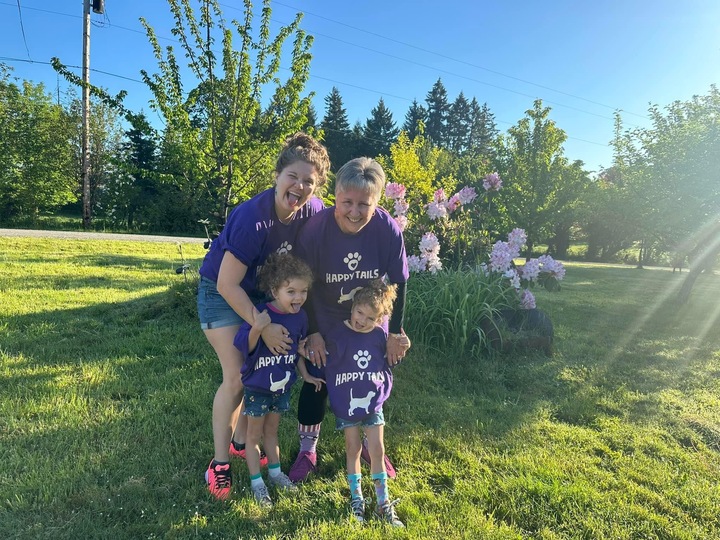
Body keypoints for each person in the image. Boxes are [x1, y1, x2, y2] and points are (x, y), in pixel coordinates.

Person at [197, 132, 330, 500]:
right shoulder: (251, 218)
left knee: (260, 369)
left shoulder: (314, 212)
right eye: (293, 176)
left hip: (263, 295)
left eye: (309, 181)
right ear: (277, 174)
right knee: (238, 375)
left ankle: (243, 441)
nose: (300, 186)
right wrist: (265, 325)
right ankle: (220, 464)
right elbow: (227, 284)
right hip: (223, 292)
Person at [289, 157, 411, 484]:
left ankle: (372, 448)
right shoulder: (315, 230)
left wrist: (394, 333)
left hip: (369, 318)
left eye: (364, 204)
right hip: (325, 314)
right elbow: (305, 285)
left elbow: (398, 281)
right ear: (335, 196)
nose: (355, 211)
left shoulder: (387, 228)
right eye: (347, 202)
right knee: (317, 377)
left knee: (368, 380)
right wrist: (313, 333)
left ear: (377, 202)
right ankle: (307, 448)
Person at [299, 280, 408, 526]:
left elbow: (391, 359)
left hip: (373, 402)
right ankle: (356, 500)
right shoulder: (336, 334)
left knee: (378, 449)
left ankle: (383, 503)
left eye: (370, 318)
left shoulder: (380, 336)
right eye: (360, 312)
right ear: (352, 307)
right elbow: (320, 357)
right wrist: (303, 357)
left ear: (379, 320)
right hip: (347, 403)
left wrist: (404, 344)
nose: (362, 320)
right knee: (353, 448)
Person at [235, 253, 313, 507]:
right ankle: (257, 482)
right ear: (274, 290)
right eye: (291, 291)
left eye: (303, 291)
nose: (298, 298)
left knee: (272, 432)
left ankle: (276, 473)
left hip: (282, 388)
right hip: (258, 388)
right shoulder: (260, 314)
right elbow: (243, 347)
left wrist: (306, 374)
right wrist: (258, 328)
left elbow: (296, 351)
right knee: (253, 436)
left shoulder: (300, 318)